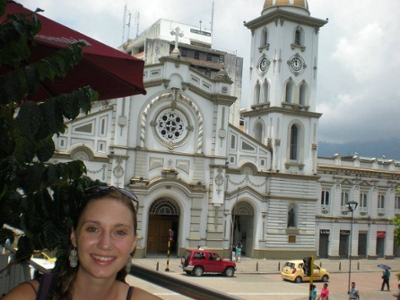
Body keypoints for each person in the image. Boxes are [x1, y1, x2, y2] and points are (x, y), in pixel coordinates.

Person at [3, 185, 161, 300]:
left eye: (119, 232)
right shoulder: (26, 296)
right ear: (74, 236)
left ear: (134, 242)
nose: (105, 244)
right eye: (93, 229)